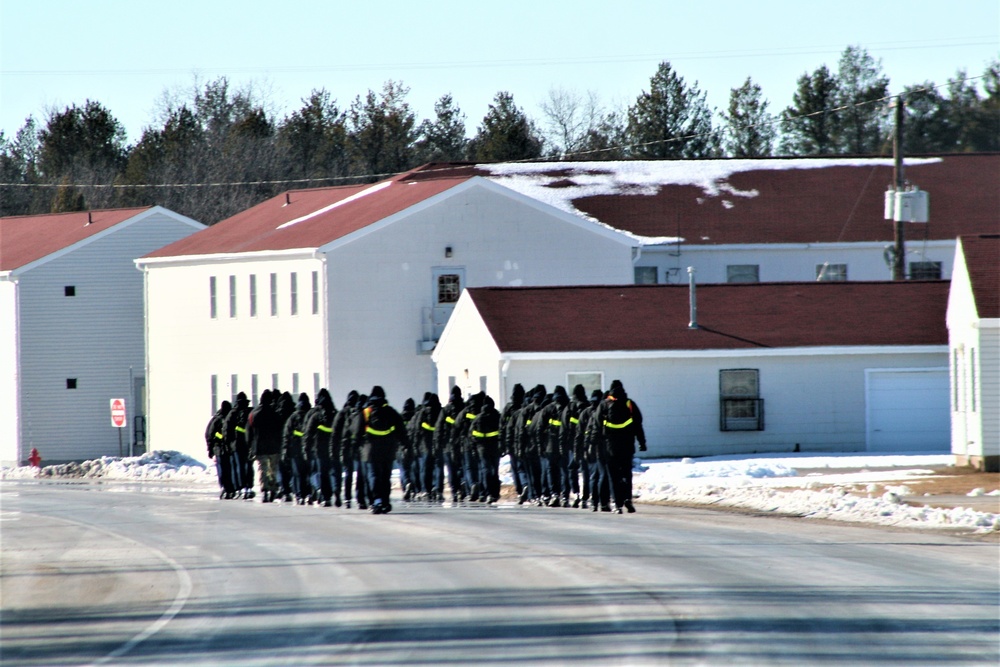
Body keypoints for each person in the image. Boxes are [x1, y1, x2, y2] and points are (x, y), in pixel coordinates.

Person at [352, 386, 409, 514]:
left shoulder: (366, 413)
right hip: (388, 450)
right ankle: (385, 501)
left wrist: (354, 449)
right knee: (385, 477)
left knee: (374, 476)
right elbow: (402, 432)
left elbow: (357, 433)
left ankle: (376, 500)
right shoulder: (391, 412)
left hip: (370, 452)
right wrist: (406, 446)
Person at [595, 381, 647, 513]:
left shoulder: (604, 405)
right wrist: (642, 442)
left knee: (614, 476)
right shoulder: (629, 404)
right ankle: (627, 499)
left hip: (610, 447)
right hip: (627, 445)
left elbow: (597, 426)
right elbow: (638, 425)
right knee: (626, 474)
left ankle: (617, 504)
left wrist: (597, 446)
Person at [304, 388, 338, 507]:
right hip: (333, 448)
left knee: (320, 472)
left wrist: (306, 449)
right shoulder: (335, 414)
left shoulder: (314, 415)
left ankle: (323, 495)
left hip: (318, 449)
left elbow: (308, 433)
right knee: (332, 472)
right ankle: (334, 493)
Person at [247, 389, 283, 503]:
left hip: (260, 447)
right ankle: (273, 489)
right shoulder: (275, 414)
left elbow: (249, 432)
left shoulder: (254, 414)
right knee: (273, 469)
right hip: (274, 447)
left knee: (263, 469)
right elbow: (280, 430)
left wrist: (250, 446)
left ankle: (265, 490)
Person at [535, 386, 569, 506]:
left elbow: (539, 429)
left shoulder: (548, 409)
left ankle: (554, 494)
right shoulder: (569, 408)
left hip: (550, 446)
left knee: (551, 471)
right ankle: (565, 496)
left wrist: (540, 446)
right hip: (565, 445)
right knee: (564, 471)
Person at [335, 390, 366, 509]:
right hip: (358, 447)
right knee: (360, 474)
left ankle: (347, 498)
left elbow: (336, 432)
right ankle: (360, 499)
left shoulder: (342, 413)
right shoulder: (360, 413)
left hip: (346, 447)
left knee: (348, 473)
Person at [434, 386, 466, 503]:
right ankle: (462, 485)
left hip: (447, 445)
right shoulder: (464, 408)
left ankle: (454, 491)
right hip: (461, 444)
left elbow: (439, 428)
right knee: (462, 466)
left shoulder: (445, 410)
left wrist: (437, 444)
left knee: (451, 469)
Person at [453, 392, 485, 501]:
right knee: (480, 467)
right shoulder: (482, 410)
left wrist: (455, 442)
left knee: (468, 467)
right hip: (480, 444)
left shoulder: (464, 412)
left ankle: (471, 485)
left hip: (466, 444)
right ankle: (481, 490)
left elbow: (456, 428)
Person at [470, 395, 502, 503]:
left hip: (482, 448)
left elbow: (471, 434)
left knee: (485, 470)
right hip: (495, 447)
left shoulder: (478, 418)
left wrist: (475, 447)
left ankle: (486, 493)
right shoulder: (497, 416)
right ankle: (495, 493)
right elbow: (503, 431)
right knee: (495, 471)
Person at [282, 393, 312, 504]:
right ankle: (309, 493)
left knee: (298, 473)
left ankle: (300, 495)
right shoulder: (311, 415)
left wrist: (285, 450)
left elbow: (286, 434)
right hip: (309, 449)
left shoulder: (293, 417)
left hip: (295, 450)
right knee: (308, 472)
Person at [563, 384, 590, 508]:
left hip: (571, 444)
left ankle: (576, 492)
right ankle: (586, 496)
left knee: (572, 469)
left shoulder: (569, 407)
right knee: (585, 470)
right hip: (585, 443)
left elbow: (563, 426)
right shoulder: (589, 406)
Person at [413, 392, 442, 501]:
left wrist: (415, 445)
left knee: (425, 469)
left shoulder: (422, 413)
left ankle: (425, 490)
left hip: (424, 445)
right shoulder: (441, 411)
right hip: (438, 445)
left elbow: (417, 430)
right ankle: (438, 489)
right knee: (438, 468)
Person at [224, 392, 254, 499]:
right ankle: (249, 487)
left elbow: (226, 430)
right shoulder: (251, 412)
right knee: (248, 466)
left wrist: (228, 444)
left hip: (236, 445)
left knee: (239, 467)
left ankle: (240, 488)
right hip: (248, 444)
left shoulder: (232, 413)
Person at [500, 384, 526, 500]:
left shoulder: (508, 408)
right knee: (522, 466)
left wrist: (504, 443)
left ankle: (520, 489)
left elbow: (502, 427)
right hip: (523, 441)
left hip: (511, 441)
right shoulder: (525, 407)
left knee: (515, 467)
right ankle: (525, 485)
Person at [205, 400, 234, 499]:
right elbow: (211, 434)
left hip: (220, 449)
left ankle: (226, 488)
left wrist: (210, 448)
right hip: (222, 448)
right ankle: (227, 488)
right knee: (226, 470)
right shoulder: (220, 419)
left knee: (223, 470)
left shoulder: (217, 419)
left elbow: (209, 434)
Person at [398, 397, 417, 501]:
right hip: (412, 447)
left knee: (403, 469)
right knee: (413, 468)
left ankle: (406, 485)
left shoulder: (400, 417)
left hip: (401, 448)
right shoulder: (416, 417)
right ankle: (413, 488)